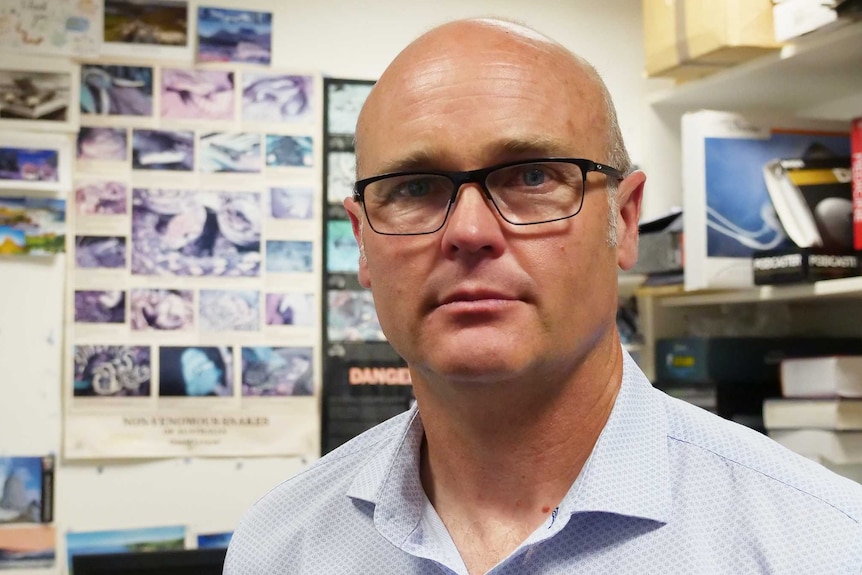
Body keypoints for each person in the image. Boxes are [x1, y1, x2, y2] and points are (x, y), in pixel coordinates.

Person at [224, 18, 862, 574]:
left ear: (626, 221)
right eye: (415, 188)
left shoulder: (821, 547)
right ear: (363, 241)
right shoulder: (279, 548)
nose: (469, 232)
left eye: (532, 175)